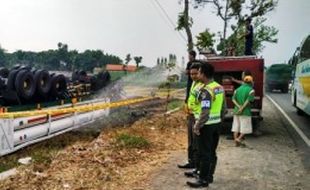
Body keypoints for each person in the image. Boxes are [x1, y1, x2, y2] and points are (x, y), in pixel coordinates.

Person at [186, 63, 225, 188]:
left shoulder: (205, 91)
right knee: (212, 152)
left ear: (203, 74)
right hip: (216, 124)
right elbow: (224, 108)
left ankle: (202, 179)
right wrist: (219, 120)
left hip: (206, 126)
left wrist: (197, 126)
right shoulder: (219, 88)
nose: (198, 75)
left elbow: (205, 112)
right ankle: (209, 176)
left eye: (199, 72)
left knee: (204, 153)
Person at [178, 62, 203, 169]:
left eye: (195, 73)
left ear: (201, 73)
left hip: (197, 117)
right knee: (191, 141)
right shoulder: (193, 83)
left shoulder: (202, 85)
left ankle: (197, 166)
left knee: (197, 142)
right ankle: (191, 161)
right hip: (190, 115)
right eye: (191, 74)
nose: (193, 76)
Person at [231, 75, 255, 146]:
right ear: (251, 82)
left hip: (236, 111)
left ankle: (236, 142)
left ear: (244, 82)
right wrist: (242, 108)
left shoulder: (237, 89)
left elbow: (233, 99)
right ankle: (238, 139)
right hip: (245, 112)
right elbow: (248, 101)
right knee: (245, 127)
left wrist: (238, 107)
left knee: (236, 127)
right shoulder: (251, 90)